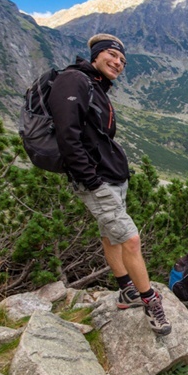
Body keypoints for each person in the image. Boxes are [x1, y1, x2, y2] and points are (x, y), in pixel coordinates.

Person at [48, 34, 171, 335]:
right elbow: (67, 136)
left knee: (111, 235)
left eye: (122, 60)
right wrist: (90, 179)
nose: (118, 63)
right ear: (96, 55)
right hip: (97, 180)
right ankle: (150, 301)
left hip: (113, 177)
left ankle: (126, 290)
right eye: (112, 55)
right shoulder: (73, 81)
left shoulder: (97, 87)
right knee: (131, 240)